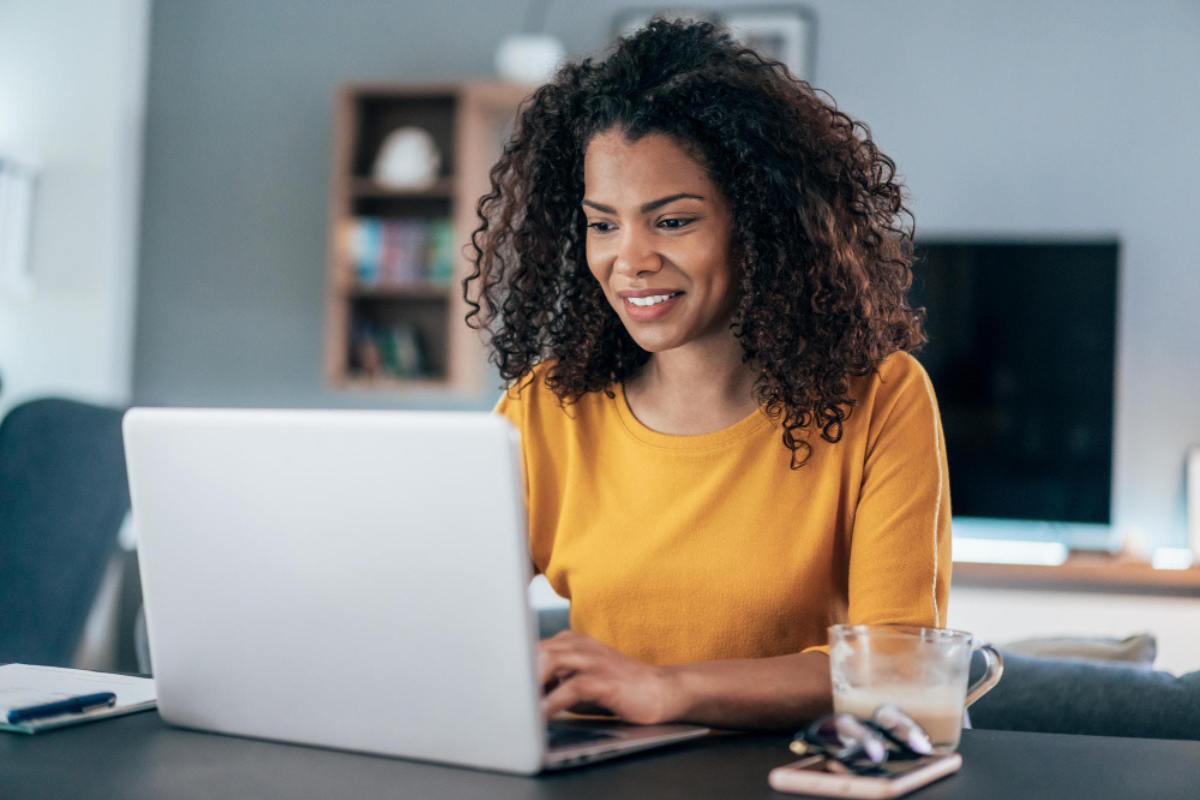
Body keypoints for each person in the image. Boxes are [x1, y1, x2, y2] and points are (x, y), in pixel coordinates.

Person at [463, 18, 951, 731]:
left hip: (795, 775)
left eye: (672, 221)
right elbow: (452, 625)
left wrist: (668, 689)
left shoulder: (881, 396)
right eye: (603, 224)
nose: (628, 259)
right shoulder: (544, 411)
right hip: (601, 774)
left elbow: (900, 667)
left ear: (759, 224)